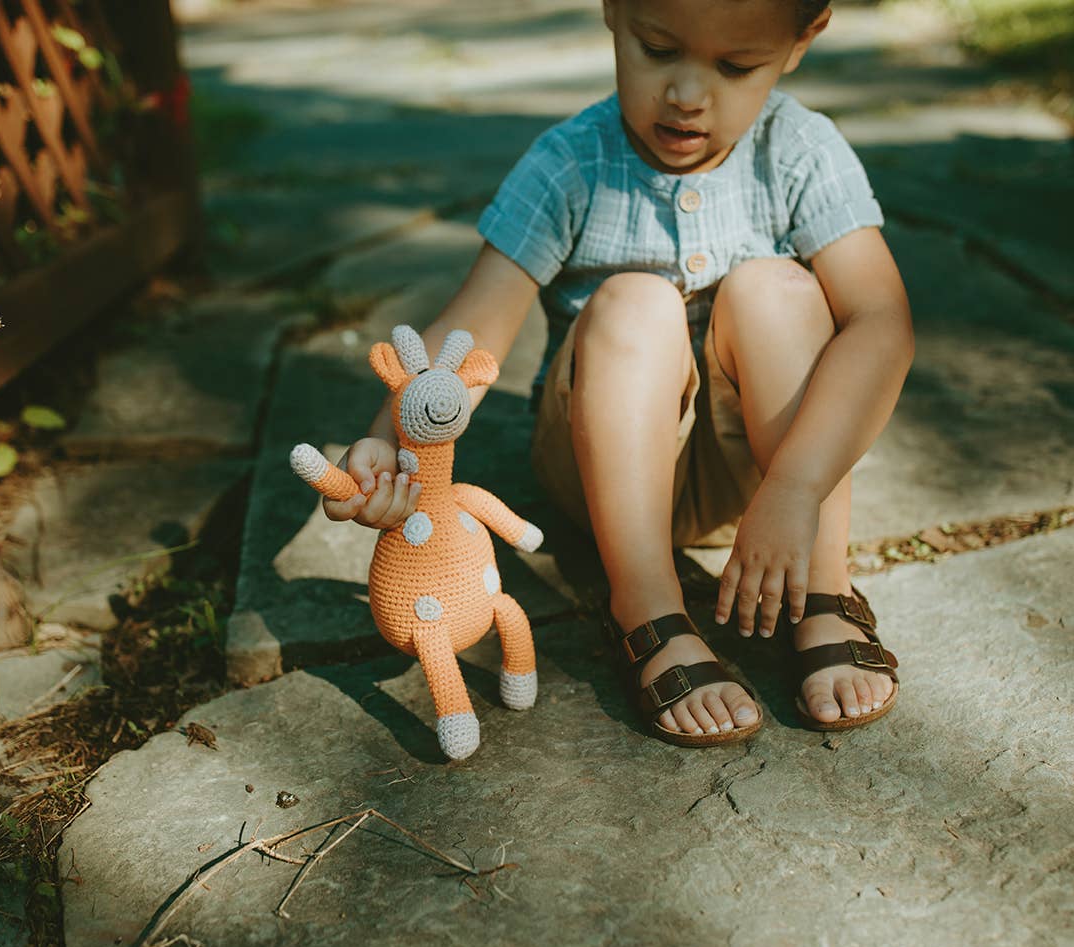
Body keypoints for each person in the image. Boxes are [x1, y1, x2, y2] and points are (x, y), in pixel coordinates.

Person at [323, 0, 914, 746]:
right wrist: (391, 448)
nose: (688, 94)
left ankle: (823, 590)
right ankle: (647, 609)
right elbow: (470, 331)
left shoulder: (798, 149)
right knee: (635, 300)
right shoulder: (572, 163)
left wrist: (794, 486)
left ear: (803, 40)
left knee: (781, 290)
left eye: (736, 67)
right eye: (658, 48)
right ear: (613, 10)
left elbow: (881, 323)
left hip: (763, 483)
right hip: (600, 471)